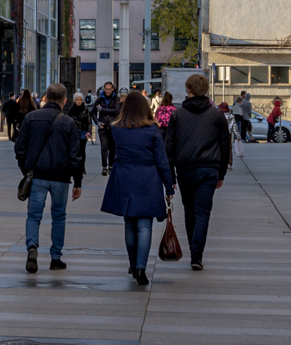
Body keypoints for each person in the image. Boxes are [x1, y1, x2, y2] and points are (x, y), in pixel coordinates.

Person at [100, 90, 175, 285]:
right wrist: (169, 186)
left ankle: (133, 264)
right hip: (147, 178)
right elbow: (162, 161)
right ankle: (141, 267)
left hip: (124, 175)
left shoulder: (117, 129)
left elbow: (113, 152)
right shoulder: (152, 130)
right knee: (144, 225)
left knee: (129, 223)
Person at [14, 82, 84, 272]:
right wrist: (77, 181)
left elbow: (19, 148)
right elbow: (75, 155)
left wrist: (26, 171)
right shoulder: (68, 122)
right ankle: (55, 257)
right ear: (65, 100)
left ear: (45, 97)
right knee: (59, 216)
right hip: (61, 177)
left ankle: (32, 246)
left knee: (34, 215)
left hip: (37, 175)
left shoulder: (31, 118)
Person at [165, 72, 232, 270]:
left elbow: (169, 148)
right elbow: (225, 147)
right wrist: (221, 174)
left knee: (189, 211)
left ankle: (193, 249)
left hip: (185, 169)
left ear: (189, 89)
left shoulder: (177, 115)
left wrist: (170, 176)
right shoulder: (217, 115)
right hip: (209, 169)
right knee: (203, 212)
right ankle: (197, 255)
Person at [93, 81, 120, 175]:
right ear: (104, 89)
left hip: (112, 125)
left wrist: (102, 110)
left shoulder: (116, 98)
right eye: (106, 89)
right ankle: (104, 166)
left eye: (109, 89)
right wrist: (97, 122)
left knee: (112, 147)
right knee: (104, 146)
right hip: (103, 126)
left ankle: (111, 165)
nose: (108, 91)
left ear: (112, 89)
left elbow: (116, 110)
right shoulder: (100, 99)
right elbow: (93, 112)